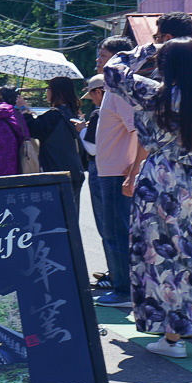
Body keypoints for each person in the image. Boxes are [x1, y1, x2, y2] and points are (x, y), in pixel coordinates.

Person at [105, 37, 192, 358]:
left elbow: (113, 71)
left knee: (163, 257)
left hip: (161, 183)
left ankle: (172, 338)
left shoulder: (155, 93)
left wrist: (145, 49)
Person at [93, 37, 138, 309]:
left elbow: (138, 130)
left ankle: (123, 290)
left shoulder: (119, 90)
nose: (98, 60)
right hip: (112, 171)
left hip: (117, 173)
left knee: (116, 233)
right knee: (114, 231)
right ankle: (124, 287)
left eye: (103, 55)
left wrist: (132, 171)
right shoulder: (112, 88)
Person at [20, 76, 86, 212]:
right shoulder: (71, 112)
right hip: (75, 172)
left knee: (57, 218)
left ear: (57, 92)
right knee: (71, 219)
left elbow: (34, 129)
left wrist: (24, 109)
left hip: (57, 173)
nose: (47, 92)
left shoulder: (54, 115)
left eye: (49, 89)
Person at [78, 75, 108, 288]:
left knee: (105, 225)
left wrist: (81, 131)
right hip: (119, 168)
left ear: (98, 92)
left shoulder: (100, 113)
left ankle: (115, 275)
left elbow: (93, 148)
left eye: (92, 95)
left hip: (100, 168)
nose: (92, 100)